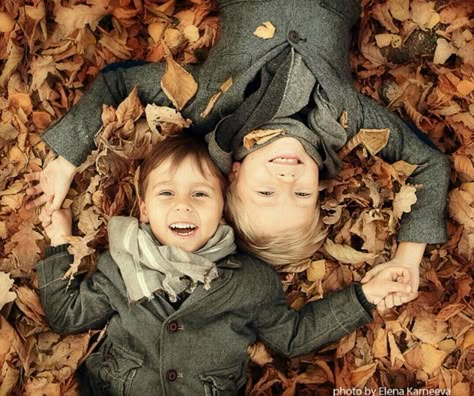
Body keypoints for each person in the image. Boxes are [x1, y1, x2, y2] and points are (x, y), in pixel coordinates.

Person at [27, 0, 450, 308]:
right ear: (320, 186)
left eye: (266, 194)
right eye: (302, 196)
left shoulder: (209, 102)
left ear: (234, 175)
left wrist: (67, 159)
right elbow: (429, 163)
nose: (287, 183)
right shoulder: (347, 119)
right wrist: (407, 258)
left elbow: (119, 83)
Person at [36, 134, 414, 395]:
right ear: (146, 209)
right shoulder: (120, 265)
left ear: (222, 208)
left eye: (200, 194)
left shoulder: (250, 281)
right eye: (167, 192)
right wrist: (58, 241)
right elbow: (68, 316)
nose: (183, 203)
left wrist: (364, 297)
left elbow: (293, 337)